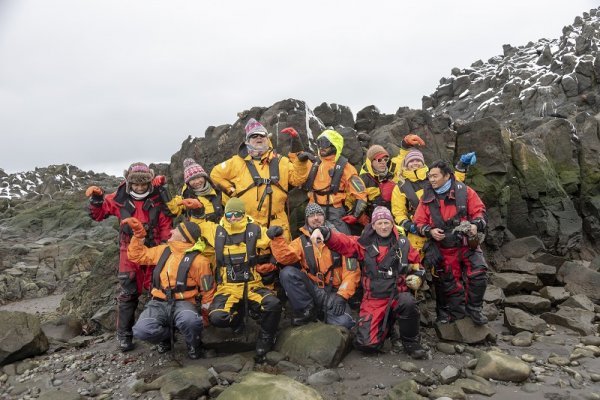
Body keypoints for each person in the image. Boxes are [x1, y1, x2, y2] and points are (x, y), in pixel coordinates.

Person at [310, 206, 427, 359]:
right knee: (366, 345)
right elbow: (343, 242)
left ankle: (411, 342)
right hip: (374, 299)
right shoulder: (363, 244)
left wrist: (418, 277)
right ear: (373, 225)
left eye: (386, 222)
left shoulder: (403, 244)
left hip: (397, 295)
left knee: (408, 302)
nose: (383, 226)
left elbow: (418, 266)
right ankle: (387, 328)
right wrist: (326, 233)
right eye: (379, 223)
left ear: (392, 224)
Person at [86, 162, 172, 352]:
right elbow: (98, 215)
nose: (139, 187)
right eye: (135, 184)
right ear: (129, 182)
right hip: (129, 251)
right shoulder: (118, 198)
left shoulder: (158, 198)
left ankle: (161, 336)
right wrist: (96, 199)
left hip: (155, 250)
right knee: (128, 293)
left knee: (158, 290)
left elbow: (167, 222)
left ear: (149, 182)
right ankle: (124, 335)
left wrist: (166, 246)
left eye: (143, 184)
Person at [390, 134, 475, 323]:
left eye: (417, 161)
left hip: (440, 234)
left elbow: (454, 183)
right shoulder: (400, 187)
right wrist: (412, 227)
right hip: (416, 236)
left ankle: (443, 312)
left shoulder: (433, 179)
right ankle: (408, 312)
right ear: (405, 165)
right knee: (411, 274)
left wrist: (461, 168)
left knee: (443, 274)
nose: (414, 164)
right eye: (410, 162)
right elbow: (398, 214)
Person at [196, 197, 282, 361]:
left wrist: (276, 232)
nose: (233, 218)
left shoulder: (255, 229)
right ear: (225, 214)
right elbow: (198, 226)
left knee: (273, 304)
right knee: (216, 317)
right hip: (227, 287)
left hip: (252, 284)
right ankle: (237, 321)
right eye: (229, 214)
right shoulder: (216, 231)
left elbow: (270, 239)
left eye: (237, 214)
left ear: (243, 214)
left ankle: (266, 338)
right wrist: (197, 211)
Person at [122, 218, 215, 359]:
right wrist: (139, 234)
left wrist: (205, 316)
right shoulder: (163, 251)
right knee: (141, 330)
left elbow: (208, 291)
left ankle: (194, 346)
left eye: (176, 230)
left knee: (190, 321)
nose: (171, 230)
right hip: (158, 302)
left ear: (184, 237)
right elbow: (136, 256)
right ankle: (168, 336)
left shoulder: (201, 261)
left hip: (185, 303)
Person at [413, 160, 488, 325]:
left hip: (467, 242)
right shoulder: (426, 198)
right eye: (429, 176)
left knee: (479, 273)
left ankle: (475, 310)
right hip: (444, 248)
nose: (431, 179)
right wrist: (430, 231)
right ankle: (458, 317)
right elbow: (418, 222)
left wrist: (475, 225)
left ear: (447, 176)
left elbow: (480, 212)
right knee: (451, 284)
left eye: (435, 176)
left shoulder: (465, 192)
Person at [210, 118, 311, 241]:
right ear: (248, 140)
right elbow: (215, 174)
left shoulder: (281, 161)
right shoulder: (236, 162)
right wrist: (230, 190)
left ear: (267, 139)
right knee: (253, 259)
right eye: (254, 136)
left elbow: (297, 179)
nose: (259, 138)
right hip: (249, 224)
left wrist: (300, 159)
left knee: (283, 258)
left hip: (278, 224)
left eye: (262, 135)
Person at [268, 203, 359, 329]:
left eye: (319, 214)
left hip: (333, 292)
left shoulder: (341, 240)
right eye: (311, 215)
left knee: (345, 323)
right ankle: (307, 311)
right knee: (287, 272)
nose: (316, 218)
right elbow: (286, 258)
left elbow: (352, 272)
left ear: (324, 217)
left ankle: (323, 312)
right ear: (307, 219)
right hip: (312, 288)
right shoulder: (300, 241)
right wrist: (277, 240)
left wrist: (342, 296)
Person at [302, 128, 368, 234]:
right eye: (319, 143)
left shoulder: (345, 167)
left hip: (335, 212)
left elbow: (361, 194)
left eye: (325, 143)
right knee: (310, 243)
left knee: (342, 243)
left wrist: (355, 216)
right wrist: (300, 160)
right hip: (313, 209)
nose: (321, 147)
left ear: (334, 145)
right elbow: (297, 177)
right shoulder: (313, 164)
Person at [162, 158, 224, 264]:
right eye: (192, 179)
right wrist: (163, 189)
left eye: (199, 177)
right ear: (188, 182)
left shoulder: (218, 193)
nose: (197, 181)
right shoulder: (185, 197)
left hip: (220, 240)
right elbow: (173, 209)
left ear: (205, 177)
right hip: (199, 244)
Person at [359, 144, 397, 219]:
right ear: (371, 161)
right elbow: (353, 201)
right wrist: (362, 218)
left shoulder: (393, 175)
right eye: (379, 160)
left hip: (393, 216)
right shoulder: (362, 179)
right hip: (371, 219)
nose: (383, 162)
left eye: (385, 159)